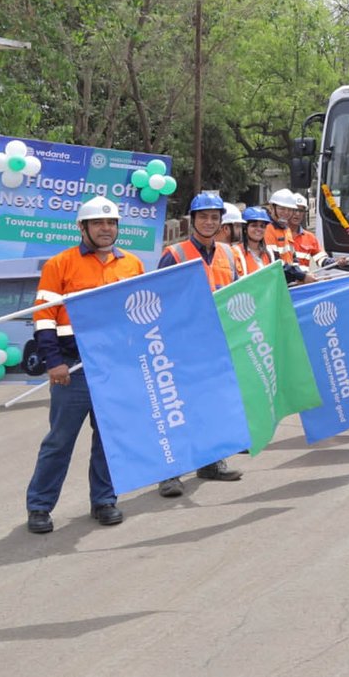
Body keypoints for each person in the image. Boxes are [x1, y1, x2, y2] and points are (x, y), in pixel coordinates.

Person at [25, 195, 143, 534]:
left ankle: (104, 500)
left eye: (111, 223)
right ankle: (39, 507)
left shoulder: (132, 264)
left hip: (115, 369)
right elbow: (44, 318)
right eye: (99, 223)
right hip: (72, 370)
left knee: (107, 439)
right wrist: (54, 362)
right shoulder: (59, 264)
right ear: (82, 227)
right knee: (59, 441)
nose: (106, 229)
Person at [154, 192, 243, 498]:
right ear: (192, 220)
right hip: (183, 346)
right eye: (203, 217)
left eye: (214, 217)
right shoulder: (175, 254)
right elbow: (159, 301)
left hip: (217, 345)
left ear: (221, 222)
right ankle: (170, 474)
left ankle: (210, 462)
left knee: (212, 406)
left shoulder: (229, 255)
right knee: (178, 410)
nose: (209, 222)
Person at [235, 206, 311, 284]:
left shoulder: (269, 253)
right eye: (254, 225)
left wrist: (302, 276)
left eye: (262, 226)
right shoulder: (236, 253)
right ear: (245, 228)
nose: (259, 229)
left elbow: (284, 270)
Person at [263, 189, 298, 264]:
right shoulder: (267, 228)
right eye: (282, 208)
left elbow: (293, 256)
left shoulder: (286, 228)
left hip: (288, 274)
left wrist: (298, 271)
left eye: (290, 209)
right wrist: (297, 274)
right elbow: (274, 260)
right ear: (272, 207)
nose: (286, 212)